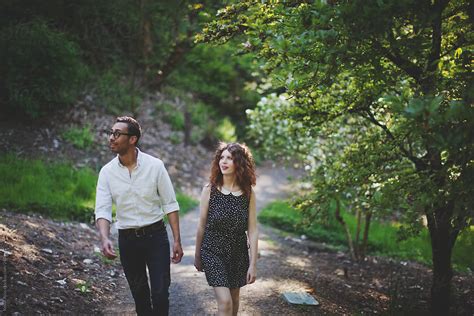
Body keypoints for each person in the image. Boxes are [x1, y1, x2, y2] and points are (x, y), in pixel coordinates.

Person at [95, 116, 183, 316]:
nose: (111, 138)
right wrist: (105, 237)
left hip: (156, 238)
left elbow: (170, 203)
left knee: (160, 294)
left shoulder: (155, 166)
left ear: (132, 139)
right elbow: (102, 209)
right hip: (127, 240)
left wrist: (177, 240)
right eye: (111, 133)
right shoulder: (106, 172)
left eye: (117, 134)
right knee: (139, 294)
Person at [194, 142, 258, 316]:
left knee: (234, 300)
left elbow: (252, 230)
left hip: (238, 252)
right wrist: (198, 255)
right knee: (225, 301)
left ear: (239, 163)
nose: (224, 161)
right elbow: (201, 225)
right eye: (222, 158)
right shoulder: (210, 190)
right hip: (212, 250)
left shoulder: (248, 193)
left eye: (229, 158)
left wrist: (253, 264)